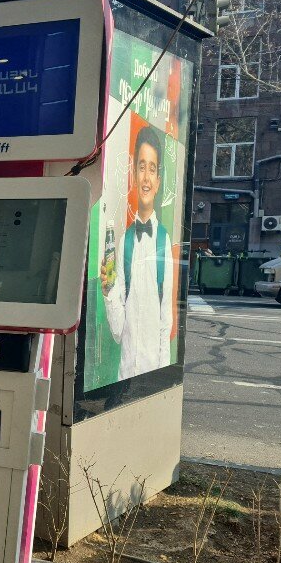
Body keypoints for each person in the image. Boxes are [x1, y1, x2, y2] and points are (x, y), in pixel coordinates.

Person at [100, 126, 174, 382]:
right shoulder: (124, 242)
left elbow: (166, 320)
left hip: (153, 374)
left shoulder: (164, 240)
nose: (146, 177)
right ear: (133, 174)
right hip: (126, 375)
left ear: (158, 181)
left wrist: (162, 377)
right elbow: (119, 332)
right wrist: (109, 292)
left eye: (152, 169)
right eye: (141, 166)